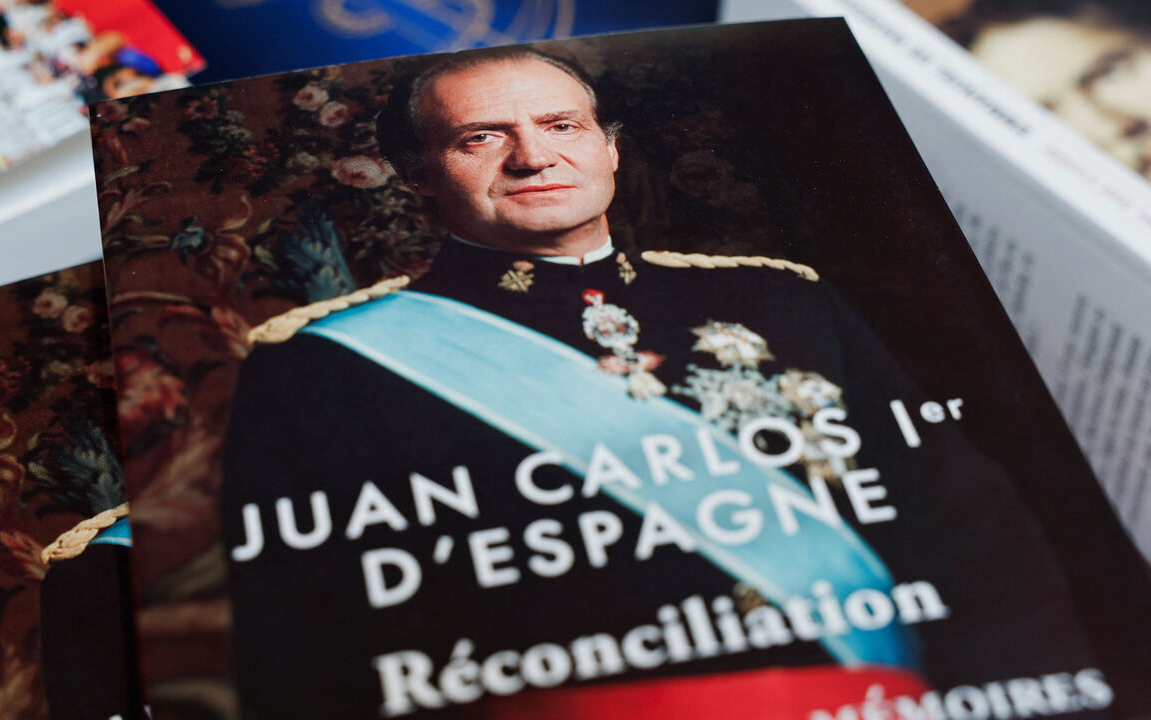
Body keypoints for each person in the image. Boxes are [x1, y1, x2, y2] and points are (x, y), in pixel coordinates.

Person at [222, 47, 1091, 718]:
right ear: (420, 177)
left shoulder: (784, 299)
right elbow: (306, 641)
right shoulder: (328, 364)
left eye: (562, 126)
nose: (533, 157)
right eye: (481, 138)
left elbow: (971, 526)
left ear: (608, 148)